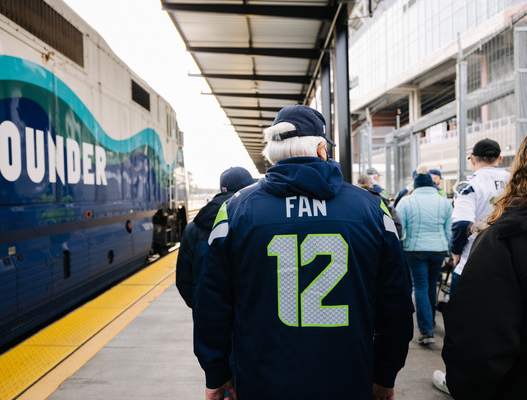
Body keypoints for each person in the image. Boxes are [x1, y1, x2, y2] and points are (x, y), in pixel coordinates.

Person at [194, 104, 414, 400]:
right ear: (322, 149)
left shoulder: (235, 211)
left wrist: (216, 372)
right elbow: (396, 303)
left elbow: (211, 304)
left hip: (262, 380)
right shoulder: (371, 209)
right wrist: (386, 374)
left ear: (273, 153)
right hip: (348, 377)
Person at [439, 120, 527, 399]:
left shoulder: (503, 233)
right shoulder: (502, 183)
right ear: (500, 158)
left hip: (478, 264)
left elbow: (477, 348)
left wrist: (456, 251)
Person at [176, 166, 255, 309]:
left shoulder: (193, 229)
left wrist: (199, 304)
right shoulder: (254, 220)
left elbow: (183, 279)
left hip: (206, 315)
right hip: (246, 317)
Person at [395, 165, 452, 345]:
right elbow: (449, 229)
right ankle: (430, 320)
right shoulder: (443, 202)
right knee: (430, 286)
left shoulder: (406, 202)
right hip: (439, 250)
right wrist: (451, 253)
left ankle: (426, 331)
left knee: (419, 286)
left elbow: (400, 227)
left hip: (415, 250)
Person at [448, 138, 510, 297]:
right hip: (508, 264)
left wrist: (456, 251)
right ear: (500, 158)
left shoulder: (468, 186)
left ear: (473, 160)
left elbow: (462, 223)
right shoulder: (515, 181)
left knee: (462, 318)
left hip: (471, 262)